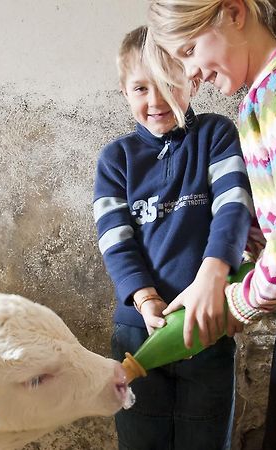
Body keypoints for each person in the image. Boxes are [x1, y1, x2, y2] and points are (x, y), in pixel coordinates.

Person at [145, 1, 276, 449]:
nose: (192, 75)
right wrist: (222, 272)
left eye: (188, 51)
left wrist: (239, 305)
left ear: (235, 14)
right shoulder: (268, 87)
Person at [93, 25, 254, 450]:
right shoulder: (116, 160)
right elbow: (115, 239)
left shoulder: (217, 136)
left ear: (192, 79)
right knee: (141, 438)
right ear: (125, 92)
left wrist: (210, 280)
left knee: (206, 436)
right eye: (141, 88)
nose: (155, 100)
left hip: (206, 327)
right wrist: (145, 299)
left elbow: (233, 209)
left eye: (168, 84)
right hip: (137, 332)